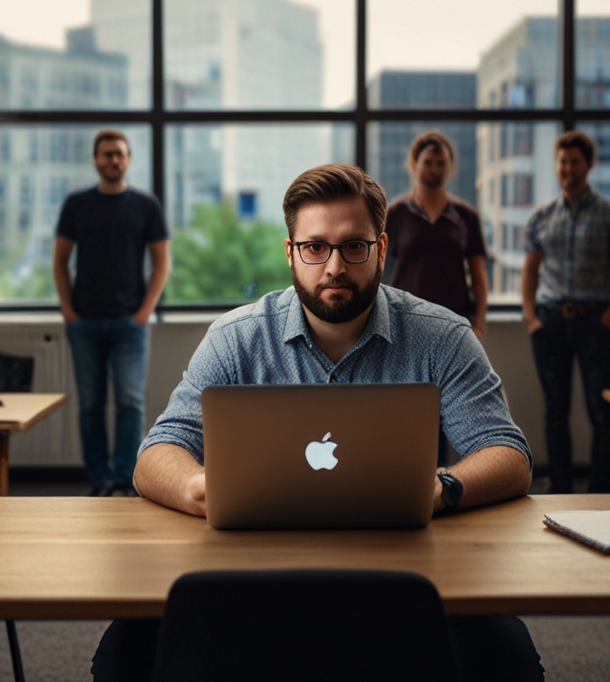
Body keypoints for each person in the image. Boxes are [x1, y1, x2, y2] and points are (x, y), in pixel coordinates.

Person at [97, 164, 544, 682]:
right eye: (315, 247)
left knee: (509, 661)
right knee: (124, 654)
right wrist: (197, 486)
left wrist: (444, 488)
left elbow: (508, 454)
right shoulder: (235, 338)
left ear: (381, 248)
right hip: (250, 571)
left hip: (410, 568)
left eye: (353, 246)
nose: (334, 266)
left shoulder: (443, 336)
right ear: (291, 253)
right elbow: (156, 453)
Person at [54, 129, 171, 497]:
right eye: (106, 154)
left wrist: (143, 313)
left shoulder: (146, 205)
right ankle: (99, 480)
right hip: (84, 321)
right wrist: (69, 312)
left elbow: (162, 263)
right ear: (95, 159)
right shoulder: (76, 204)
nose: (113, 160)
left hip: (129, 324)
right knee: (90, 405)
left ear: (129, 159)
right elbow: (59, 263)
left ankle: (126, 478)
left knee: (130, 404)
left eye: (119, 154)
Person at [521, 131, 610, 494]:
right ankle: (559, 488)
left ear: (589, 165)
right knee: (555, 413)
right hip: (550, 323)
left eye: (575, 162)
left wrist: (608, 320)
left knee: (600, 412)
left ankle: (602, 490)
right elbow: (530, 272)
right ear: (556, 166)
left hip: (595, 323)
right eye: (562, 162)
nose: (568, 169)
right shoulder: (540, 216)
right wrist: (532, 319)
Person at [385, 130, 488, 340]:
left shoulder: (466, 216)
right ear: (414, 165)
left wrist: (480, 324)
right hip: (406, 321)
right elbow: (378, 271)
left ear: (450, 167)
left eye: (441, 163)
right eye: (428, 162)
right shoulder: (395, 214)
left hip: (455, 322)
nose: (434, 169)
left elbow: (478, 276)